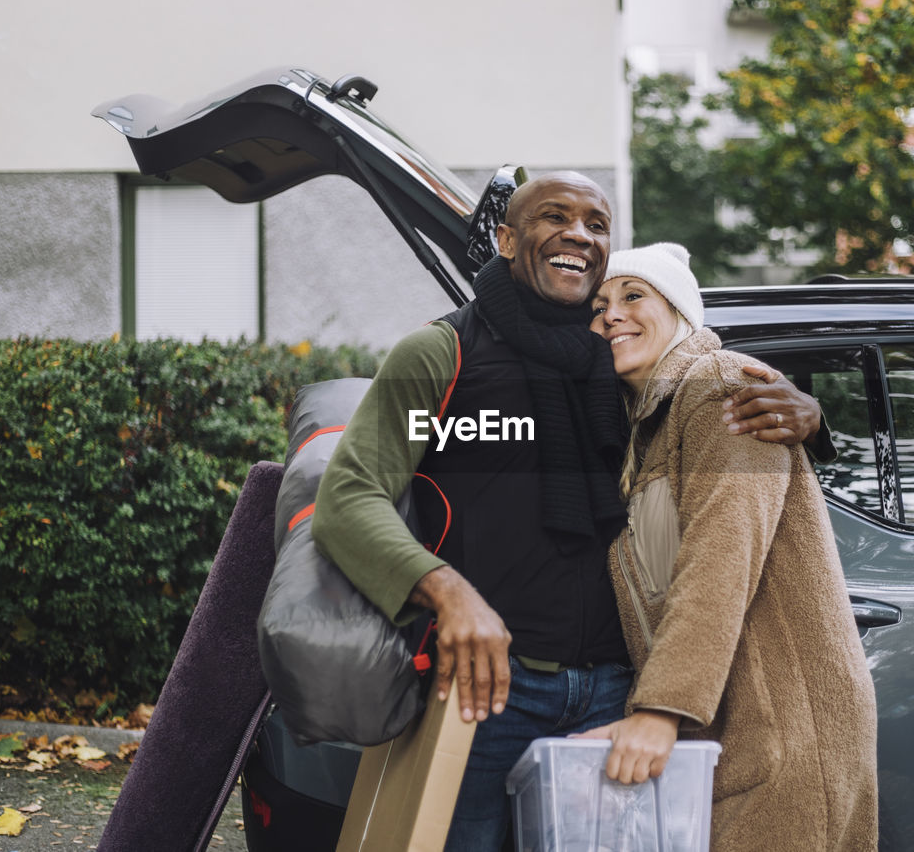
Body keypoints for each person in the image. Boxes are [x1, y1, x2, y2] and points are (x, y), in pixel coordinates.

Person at [311, 172, 828, 851]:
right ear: (505, 238)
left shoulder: (615, 360)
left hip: (621, 694)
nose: (579, 234)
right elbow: (349, 497)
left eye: (596, 223)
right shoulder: (442, 352)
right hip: (486, 691)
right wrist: (449, 593)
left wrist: (815, 417)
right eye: (554, 216)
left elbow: (703, 398)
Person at [576, 242, 878, 851]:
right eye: (599, 303)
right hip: (728, 733)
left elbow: (722, 555)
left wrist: (661, 711)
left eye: (634, 296)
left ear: (682, 313)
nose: (611, 314)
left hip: (783, 731)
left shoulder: (721, 388)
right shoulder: (642, 422)